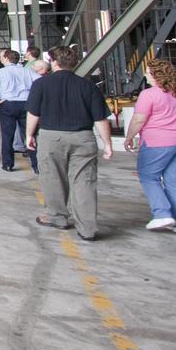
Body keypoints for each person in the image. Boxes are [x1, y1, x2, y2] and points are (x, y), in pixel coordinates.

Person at [26, 45, 113, 241]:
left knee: (52, 178)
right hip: (83, 138)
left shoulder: (41, 84)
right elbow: (100, 119)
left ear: (54, 62)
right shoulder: (88, 86)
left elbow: (33, 113)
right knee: (85, 182)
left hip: (51, 137)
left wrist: (29, 135)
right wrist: (107, 144)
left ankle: (57, 217)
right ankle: (88, 228)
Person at [123, 59, 176, 233]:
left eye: (148, 72)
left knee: (149, 177)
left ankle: (162, 214)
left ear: (156, 75)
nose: (146, 75)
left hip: (158, 142)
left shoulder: (149, 94)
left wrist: (129, 137)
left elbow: (139, 119)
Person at [0, 49, 39, 174]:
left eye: (1, 57)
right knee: (30, 135)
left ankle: (8, 164)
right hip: (26, 104)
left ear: (6, 58)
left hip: (7, 104)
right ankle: (36, 165)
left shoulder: (0, 72)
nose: (0, 59)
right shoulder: (27, 71)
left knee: (7, 135)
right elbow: (39, 81)